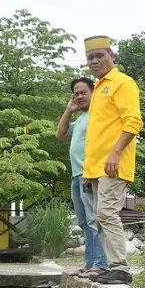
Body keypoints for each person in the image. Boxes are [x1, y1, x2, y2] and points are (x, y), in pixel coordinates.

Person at [82, 35, 143, 285]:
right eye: (90, 57)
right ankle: (112, 266)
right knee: (99, 216)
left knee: (107, 212)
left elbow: (133, 122)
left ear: (112, 56)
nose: (94, 61)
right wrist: (88, 172)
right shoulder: (97, 88)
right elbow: (98, 133)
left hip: (113, 163)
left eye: (100, 56)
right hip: (96, 166)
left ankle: (121, 267)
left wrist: (116, 152)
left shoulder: (122, 82)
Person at [56, 76, 108, 277]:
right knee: (84, 222)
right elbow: (60, 134)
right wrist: (69, 110)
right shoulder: (80, 119)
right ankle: (89, 264)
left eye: (83, 92)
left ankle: (100, 265)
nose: (79, 96)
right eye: (76, 93)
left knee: (95, 220)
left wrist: (92, 173)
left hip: (90, 174)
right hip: (76, 175)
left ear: (93, 92)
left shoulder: (98, 115)